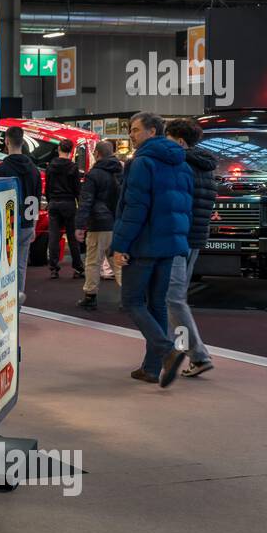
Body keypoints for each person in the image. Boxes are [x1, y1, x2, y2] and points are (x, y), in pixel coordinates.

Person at [109, 111, 194, 388]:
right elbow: (184, 208)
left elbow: (134, 208)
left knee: (132, 302)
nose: (130, 135)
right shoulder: (182, 164)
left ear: (152, 131)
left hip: (143, 244)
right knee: (156, 303)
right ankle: (151, 368)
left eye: (135, 130)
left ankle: (167, 351)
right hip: (169, 246)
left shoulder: (141, 163)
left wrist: (120, 245)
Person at [164, 117, 217, 377]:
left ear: (181, 141)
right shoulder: (206, 166)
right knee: (175, 299)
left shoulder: (181, 163)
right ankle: (176, 351)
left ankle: (194, 353)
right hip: (195, 237)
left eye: (169, 138)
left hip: (178, 236)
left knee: (171, 299)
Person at [0, 125, 42, 301]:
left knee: (3, 267)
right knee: (21, 265)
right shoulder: (34, 171)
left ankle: (5, 302)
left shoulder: (0, 171)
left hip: (7, 224)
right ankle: (18, 300)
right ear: (22, 142)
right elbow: (36, 201)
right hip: (27, 224)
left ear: (6, 142)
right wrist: (34, 226)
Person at [75, 140, 123, 310]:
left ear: (97, 154)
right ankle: (127, 296)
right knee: (118, 261)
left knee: (93, 261)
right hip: (117, 224)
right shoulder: (121, 172)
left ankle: (90, 296)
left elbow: (86, 202)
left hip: (98, 223)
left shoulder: (93, 175)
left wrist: (80, 225)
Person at [46, 138, 84, 279]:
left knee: (54, 237)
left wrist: (51, 201)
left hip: (55, 203)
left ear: (58, 149)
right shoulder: (73, 167)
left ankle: (54, 268)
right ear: (70, 151)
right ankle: (78, 267)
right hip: (69, 203)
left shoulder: (50, 167)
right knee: (72, 237)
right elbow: (77, 189)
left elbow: (48, 188)